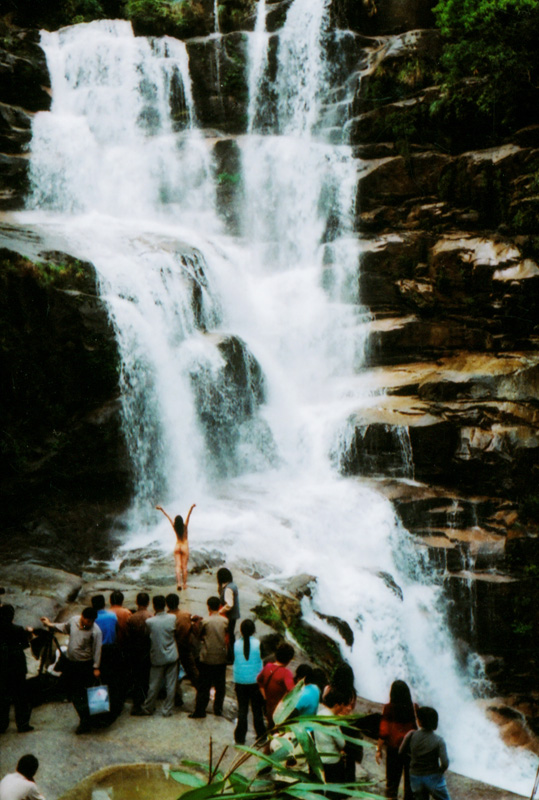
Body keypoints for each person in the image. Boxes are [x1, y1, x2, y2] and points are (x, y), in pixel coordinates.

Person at [40, 607, 102, 734]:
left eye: (92, 621)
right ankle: (85, 719)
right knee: (74, 693)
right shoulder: (74, 621)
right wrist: (50, 625)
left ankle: (86, 721)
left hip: (85, 665)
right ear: (82, 617)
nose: (89, 623)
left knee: (84, 693)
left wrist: (96, 667)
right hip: (72, 664)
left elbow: (97, 650)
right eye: (88, 620)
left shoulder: (96, 631)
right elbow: (64, 627)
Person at [376, 680, 417, 800]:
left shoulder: (389, 708)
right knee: (410, 785)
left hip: (394, 749)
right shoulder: (413, 707)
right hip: (410, 749)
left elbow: (384, 731)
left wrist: (378, 749)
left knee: (392, 784)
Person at [138, 595, 178, 718]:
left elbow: (147, 635)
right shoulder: (172, 617)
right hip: (172, 655)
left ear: (154, 605)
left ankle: (148, 707)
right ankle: (167, 710)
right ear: (165, 605)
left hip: (157, 656)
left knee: (153, 684)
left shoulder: (150, 622)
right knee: (171, 685)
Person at [399, 707, 451, 800]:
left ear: (420, 721)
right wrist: (439, 771)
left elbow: (401, 752)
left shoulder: (411, 734)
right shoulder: (439, 740)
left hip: (415, 776)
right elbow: (445, 763)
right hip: (433, 777)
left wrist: (413, 760)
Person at [189, 596, 228, 719]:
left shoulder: (205, 621)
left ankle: (200, 710)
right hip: (221, 657)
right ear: (219, 607)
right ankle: (218, 709)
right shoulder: (225, 621)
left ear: (209, 607)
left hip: (207, 657)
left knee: (204, 686)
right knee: (220, 685)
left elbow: (199, 635)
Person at [0, 605, 34, 734]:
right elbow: (25, 645)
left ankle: (2, 724)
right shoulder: (18, 629)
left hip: (3, 667)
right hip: (17, 666)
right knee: (20, 697)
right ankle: (22, 724)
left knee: (3, 697)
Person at [313, 688, 356, 787]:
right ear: (336, 705)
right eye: (341, 706)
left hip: (320, 758)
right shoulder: (332, 721)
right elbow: (341, 743)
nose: (342, 709)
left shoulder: (319, 714)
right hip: (332, 762)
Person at [233, 619, 266, 744]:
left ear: (240, 631)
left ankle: (240, 737)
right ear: (253, 631)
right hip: (255, 682)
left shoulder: (236, 644)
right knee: (257, 710)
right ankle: (261, 735)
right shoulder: (258, 643)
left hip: (240, 681)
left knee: (242, 710)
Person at [156, 504, 196, 591]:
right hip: (184, 546)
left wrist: (162, 509)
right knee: (184, 567)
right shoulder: (185, 526)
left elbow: (168, 517)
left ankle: (178, 583)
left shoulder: (174, 527)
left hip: (177, 546)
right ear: (181, 521)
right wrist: (191, 508)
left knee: (178, 566)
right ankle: (184, 584)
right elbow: (189, 516)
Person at [165, 593, 199, 692]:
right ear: (178, 603)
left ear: (167, 604)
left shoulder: (166, 616)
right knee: (192, 671)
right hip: (185, 646)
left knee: (172, 674)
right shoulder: (186, 615)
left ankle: (177, 696)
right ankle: (201, 691)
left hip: (171, 647)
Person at [257, 641, 295, 729]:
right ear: (289, 659)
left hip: (267, 705)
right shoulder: (286, 673)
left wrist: (264, 696)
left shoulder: (268, 666)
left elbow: (259, 680)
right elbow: (293, 692)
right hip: (277, 709)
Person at [126, 592, 152, 715]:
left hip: (134, 649)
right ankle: (143, 703)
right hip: (147, 649)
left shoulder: (131, 618)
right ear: (148, 603)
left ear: (137, 602)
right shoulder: (150, 617)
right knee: (146, 677)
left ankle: (137, 703)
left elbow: (128, 635)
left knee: (137, 677)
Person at [216, 567, 240, 662]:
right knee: (231, 634)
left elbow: (229, 604)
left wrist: (220, 611)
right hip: (234, 615)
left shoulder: (228, 589)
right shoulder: (232, 585)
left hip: (229, 615)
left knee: (228, 635)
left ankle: (230, 657)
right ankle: (232, 656)